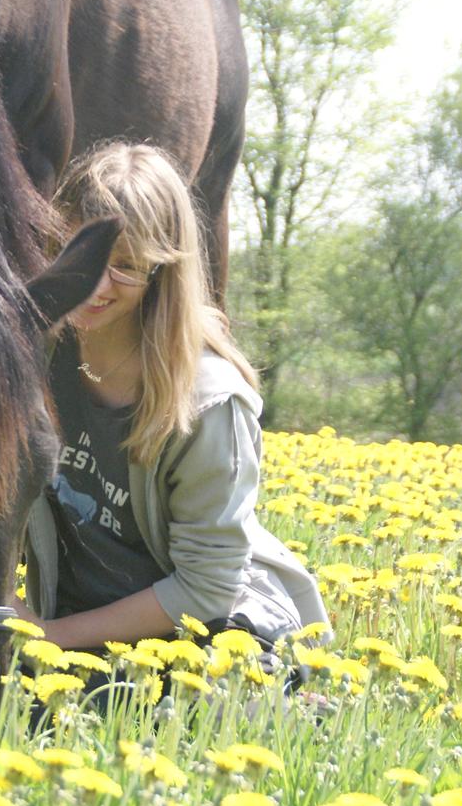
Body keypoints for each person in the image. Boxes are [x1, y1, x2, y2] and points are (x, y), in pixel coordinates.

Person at [24, 141, 327, 655]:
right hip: (83, 629)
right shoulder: (36, 359)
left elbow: (208, 587)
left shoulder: (208, 402)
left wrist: (49, 638)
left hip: (208, 635)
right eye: (80, 254)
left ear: (162, 270)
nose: (97, 283)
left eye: (126, 264)